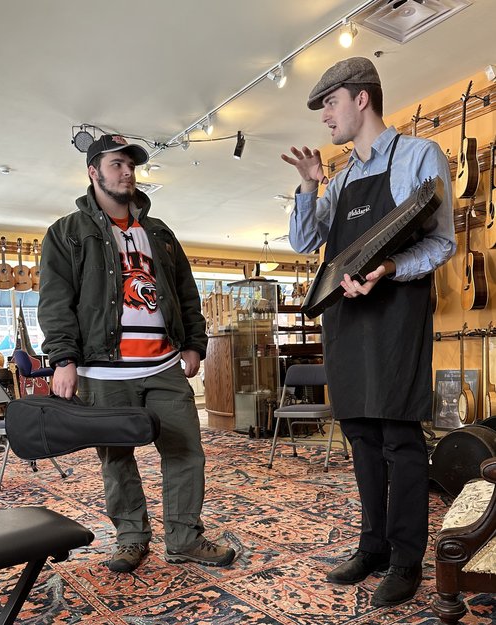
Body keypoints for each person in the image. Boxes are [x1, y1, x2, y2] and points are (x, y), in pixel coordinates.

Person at [282, 57, 455, 607]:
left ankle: (406, 559)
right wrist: (309, 188)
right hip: (345, 318)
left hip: (396, 313)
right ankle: (373, 545)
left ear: (361, 99)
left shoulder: (419, 156)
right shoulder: (344, 177)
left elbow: (442, 243)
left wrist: (387, 270)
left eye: (329, 103)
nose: (325, 117)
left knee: (400, 439)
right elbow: (305, 243)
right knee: (359, 436)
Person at [38, 134, 235, 573]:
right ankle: (131, 537)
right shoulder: (66, 233)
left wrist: (194, 344)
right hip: (103, 371)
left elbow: (187, 293)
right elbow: (55, 301)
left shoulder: (159, 233)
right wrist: (64, 360)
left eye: (131, 165)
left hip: (164, 366)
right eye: (116, 164)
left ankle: (184, 537)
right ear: (93, 172)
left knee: (186, 452)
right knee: (116, 458)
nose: (127, 172)